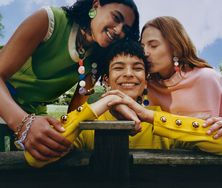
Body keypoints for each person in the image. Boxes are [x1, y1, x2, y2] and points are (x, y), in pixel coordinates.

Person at [25, 39, 222, 168]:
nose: (128, 74)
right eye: (118, 68)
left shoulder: (163, 118)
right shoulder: (87, 124)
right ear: (105, 80)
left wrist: (146, 115)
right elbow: (36, 158)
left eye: (136, 68)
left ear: (145, 81)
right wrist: (105, 103)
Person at [0, 0, 140, 160]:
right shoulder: (49, 20)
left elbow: (75, 111)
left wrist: (112, 106)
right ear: (95, 6)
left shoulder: (96, 58)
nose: (119, 31)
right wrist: (24, 124)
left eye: (126, 29)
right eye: (116, 17)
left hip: (33, 117)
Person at [140, 16, 222, 141]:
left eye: (153, 45)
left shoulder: (208, 78)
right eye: (142, 47)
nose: (145, 53)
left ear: (175, 47)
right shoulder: (145, 87)